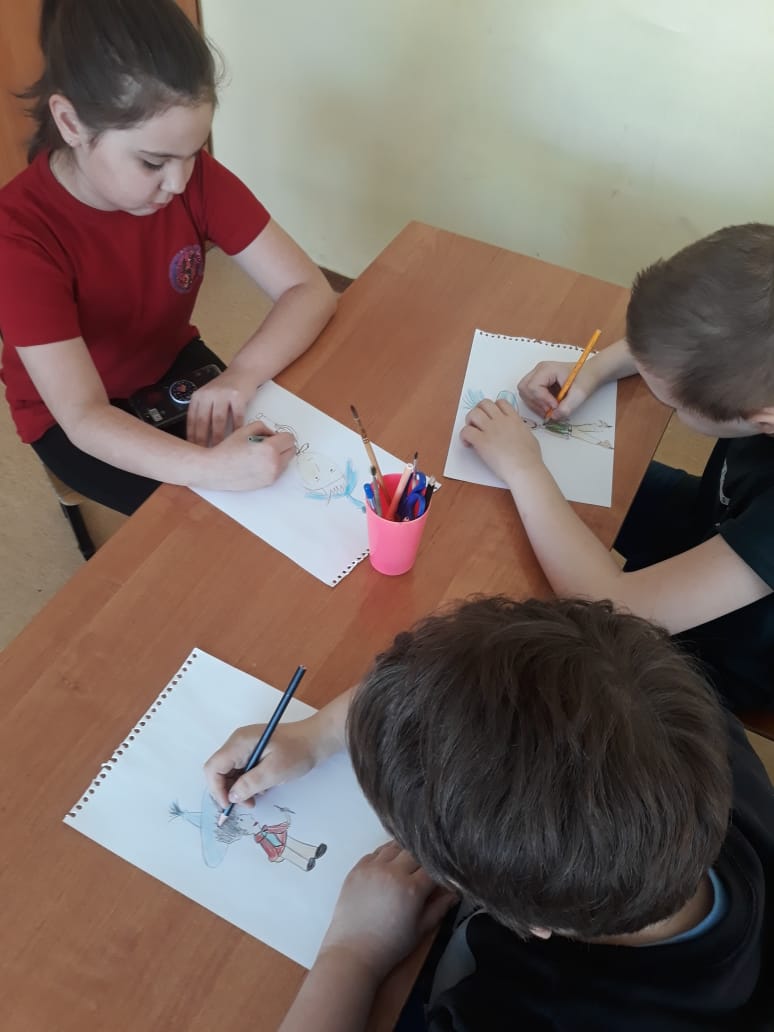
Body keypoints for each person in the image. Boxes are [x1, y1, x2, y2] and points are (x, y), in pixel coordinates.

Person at [204, 597, 774, 1031]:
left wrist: (351, 956)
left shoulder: (505, 1012)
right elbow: (509, 681)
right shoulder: (691, 732)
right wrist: (318, 733)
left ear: (517, 918)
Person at [0, 0, 337, 516]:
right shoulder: (19, 236)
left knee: (280, 488)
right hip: (71, 417)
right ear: (69, 122)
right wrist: (211, 468)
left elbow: (309, 291)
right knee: (204, 523)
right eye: (152, 162)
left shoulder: (191, 177)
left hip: (167, 362)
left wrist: (242, 373)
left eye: (194, 153)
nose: (178, 183)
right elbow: (84, 415)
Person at [462, 223, 774, 712]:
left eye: (669, 403)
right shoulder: (758, 355)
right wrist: (593, 369)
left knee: (537, 665)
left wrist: (524, 468)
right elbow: (694, 340)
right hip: (711, 518)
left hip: (726, 650)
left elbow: (610, 603)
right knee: (574, 496)